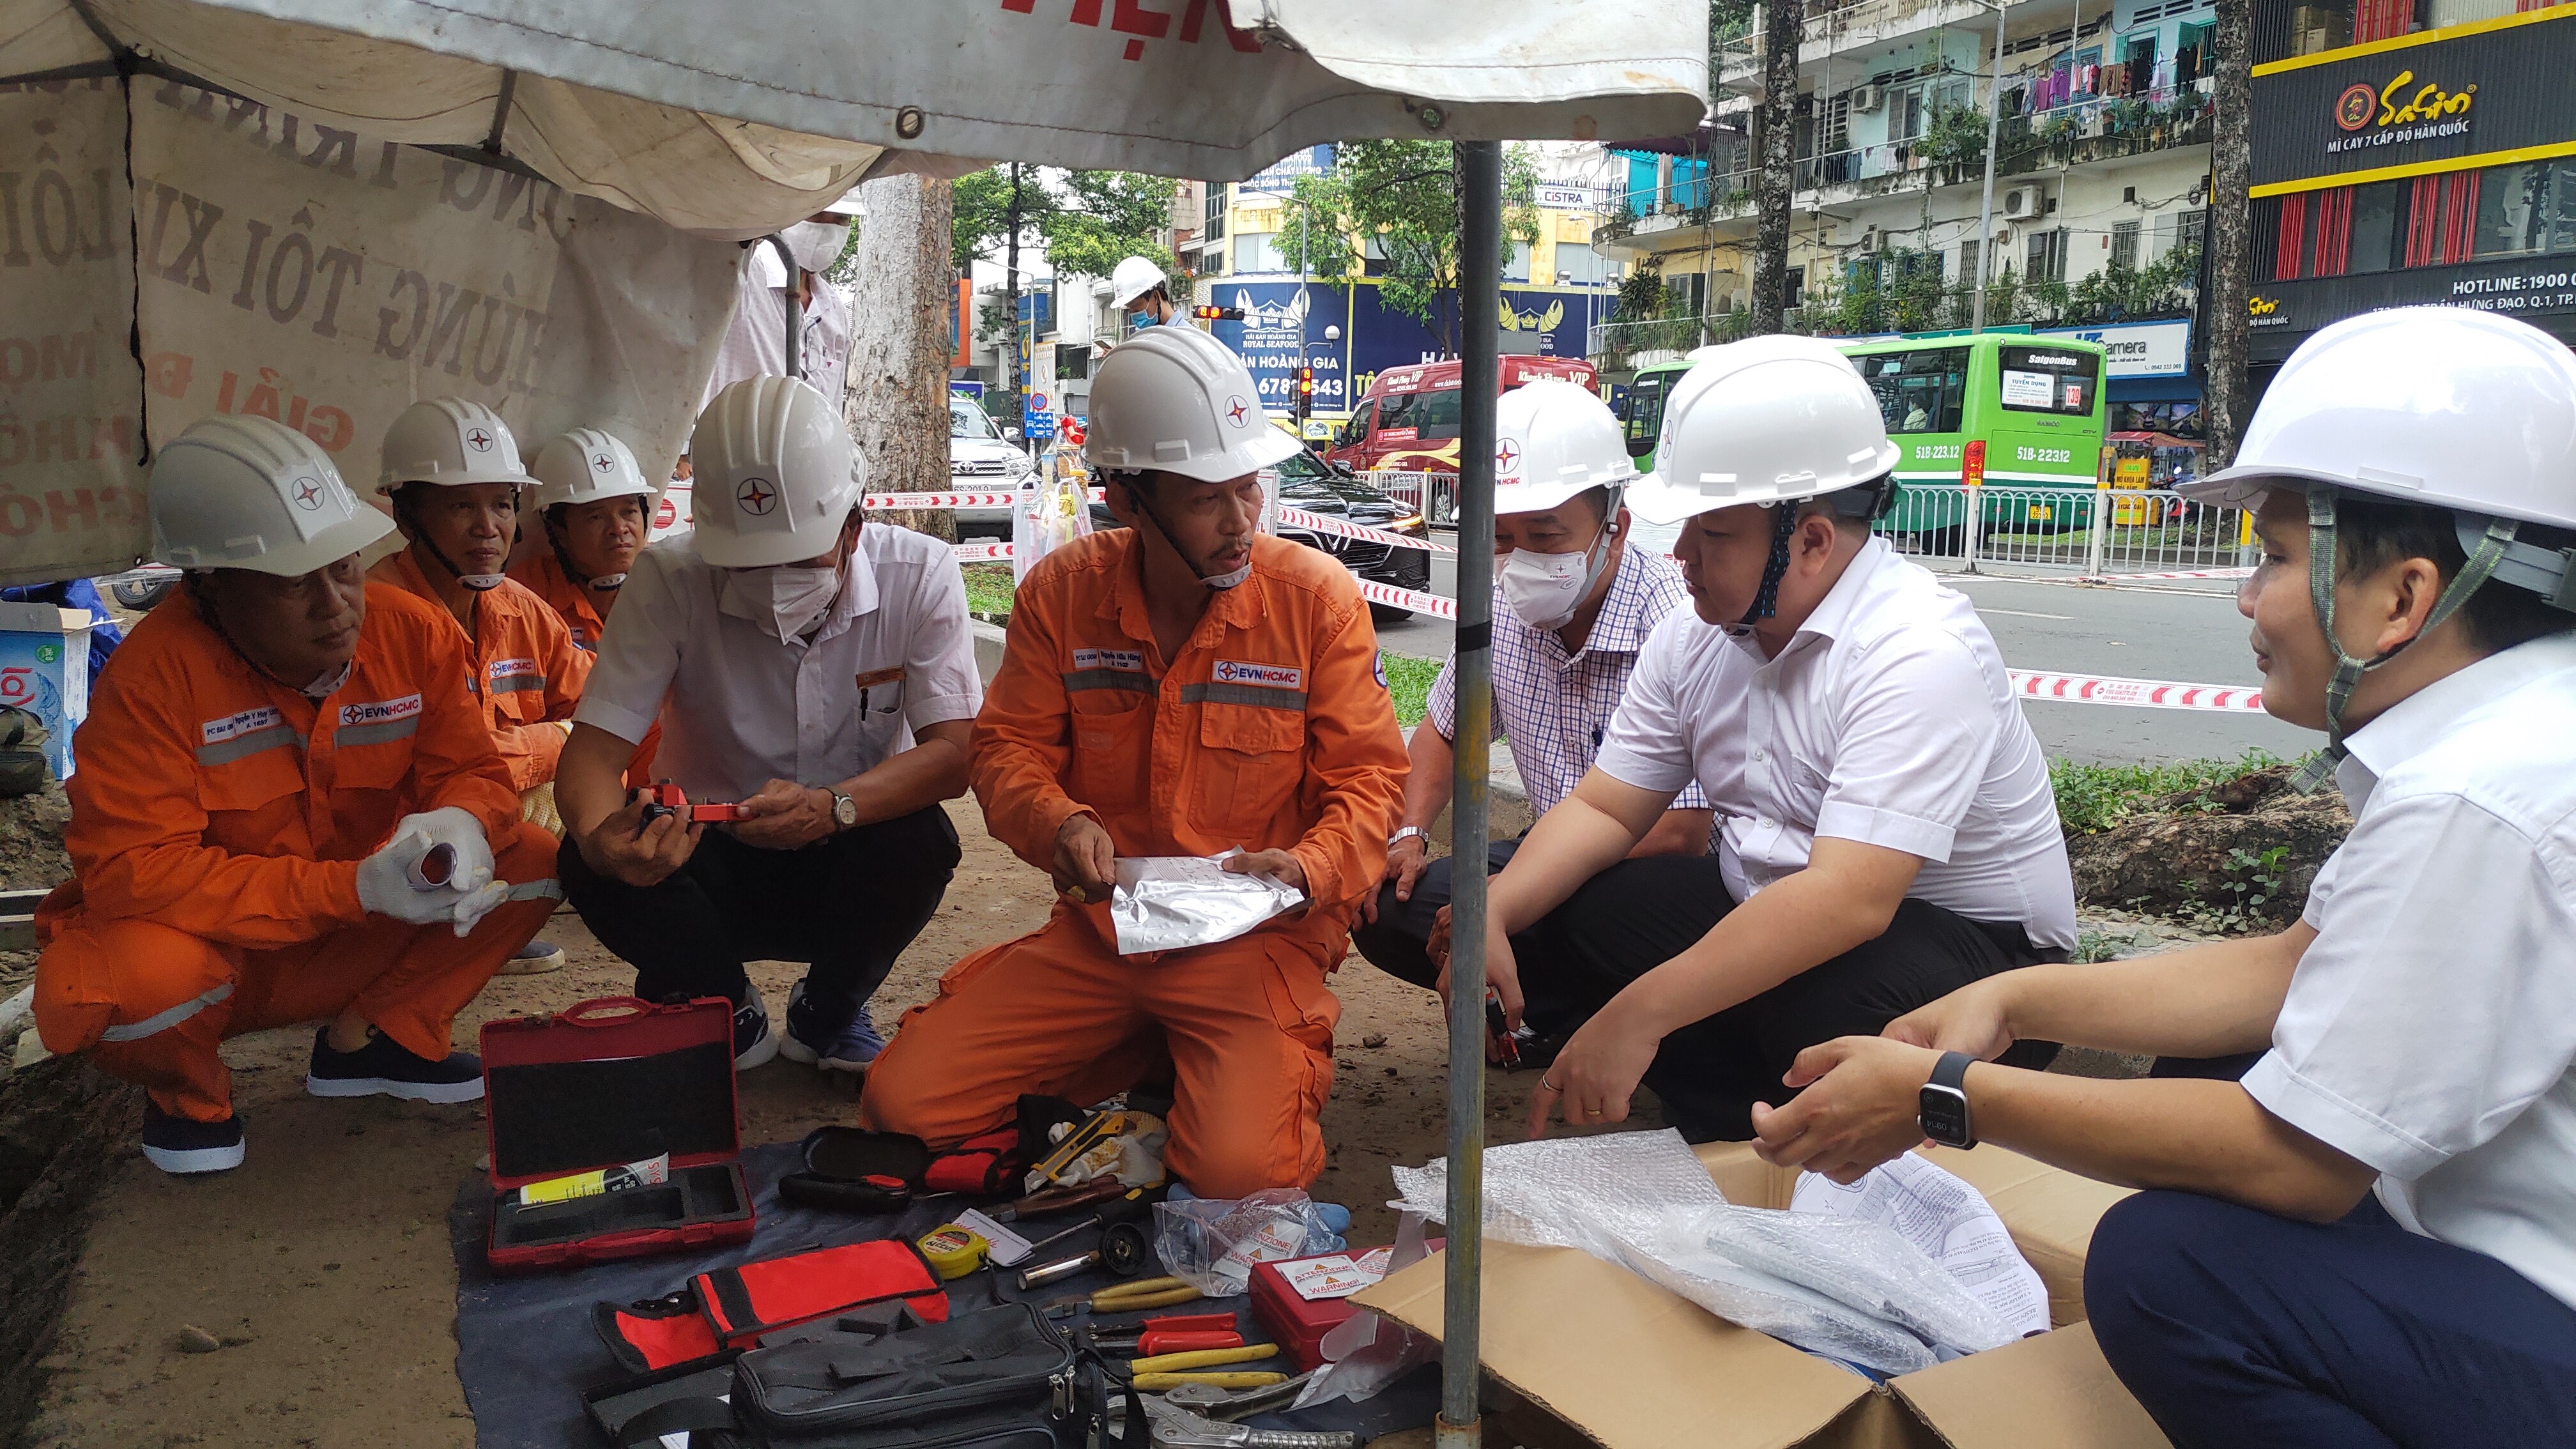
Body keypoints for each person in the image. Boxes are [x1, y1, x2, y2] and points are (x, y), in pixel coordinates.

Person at [1749, 307, 2576, 1449]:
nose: (2245, 597)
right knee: (2215, 1072)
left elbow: (2296, 1163)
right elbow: (2296, 968)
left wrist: (1943, 1094)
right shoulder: (2520, 730)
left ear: (2403, 596)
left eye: (2274, 557)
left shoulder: (2473, 802)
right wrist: (2014, 999)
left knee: (2167, 1264)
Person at [1455, 335, 2076, 1144]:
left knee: (1823, 999)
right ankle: (1728, 1119)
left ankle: (1830, 1136)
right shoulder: (1695, 637)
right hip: (1784, 904)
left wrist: (1637, 1014)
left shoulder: (1917, 652)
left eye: (1712, 533)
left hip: (1974, 956)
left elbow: (1848, 900)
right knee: (1588, 909)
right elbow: (1607, 809)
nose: (1681, 556)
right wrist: (1494, 910)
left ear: (1811, 541)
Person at [859, 325, 1407, 1197]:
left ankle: (1195, 1061)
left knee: (1237, 1178)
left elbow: (1371, 783)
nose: (1241, 521)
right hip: (1108, 936)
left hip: (1254, 944)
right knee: (906, 1107)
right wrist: (1059, 823)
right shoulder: (1062, 595)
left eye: (1249, 488)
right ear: (1125, 497)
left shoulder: (1316, 603)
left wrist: (1309, 868)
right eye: (1206, 499)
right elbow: (1005, 749)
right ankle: (1160, 1050)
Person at [29, 415, 560, 1174]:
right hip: (227, 955)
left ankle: (376, 1041)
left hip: (364, 929)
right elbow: (133, 874)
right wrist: (350, 889)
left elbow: (473, 771)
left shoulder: (413, 634)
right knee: (114, 989)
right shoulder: (152, 679)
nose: (334, 602)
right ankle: (189, 1099)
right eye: (292, 582)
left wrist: (463, 822)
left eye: (343, 567)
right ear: (210, 588)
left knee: (530, 858)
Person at [554, 376, 978, 1073]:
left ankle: (831, 1010)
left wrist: (833, 807)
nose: (775, 580)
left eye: (799, 556)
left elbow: (955, 753)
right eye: (747, 563)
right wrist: (611, 850)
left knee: (921, 840)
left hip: (849, 850)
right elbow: (592, 757)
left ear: (853, 528)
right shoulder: (669, 579)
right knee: (587, 854)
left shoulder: (918, 574)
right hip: (707, 857)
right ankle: (720, 1005)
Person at [1351, 378, 1712, 1051]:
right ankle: (1551, 1018)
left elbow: (1679, 834)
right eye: (1500, 537)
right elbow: (1443, 733)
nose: (1518, 562)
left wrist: (1507, 899)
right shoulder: (1504, 615)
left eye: (1544, 536)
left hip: (1652, 877)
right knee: (1391, 906)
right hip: (1553, 852)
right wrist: (1408, 834)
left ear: (1615, 529)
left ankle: (1654, 1034)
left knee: (1590, 911)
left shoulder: (1673, 625)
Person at [369, 399, 590, 974]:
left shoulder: (520, 609)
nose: (487, 527)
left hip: (481, 813)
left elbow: (604, 714)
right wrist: (555, 742)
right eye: (461, 505)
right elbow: (419, 771)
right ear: (407, 518)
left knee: (599, 782)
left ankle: (484, 933)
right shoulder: (378, 618)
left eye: (501, 504)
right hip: (400, 835)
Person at [510, 427, 654, 654]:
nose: (618, 529)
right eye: (596, 517)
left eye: (628, 512)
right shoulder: (523, 597)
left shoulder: (669, 584)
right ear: (559, 530)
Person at [1110, 256, 1178, 332]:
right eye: (1130, 309)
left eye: (1137, 308)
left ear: (1156, 295)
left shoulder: (1184, 336)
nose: (1135, 318)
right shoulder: (1150, 335)